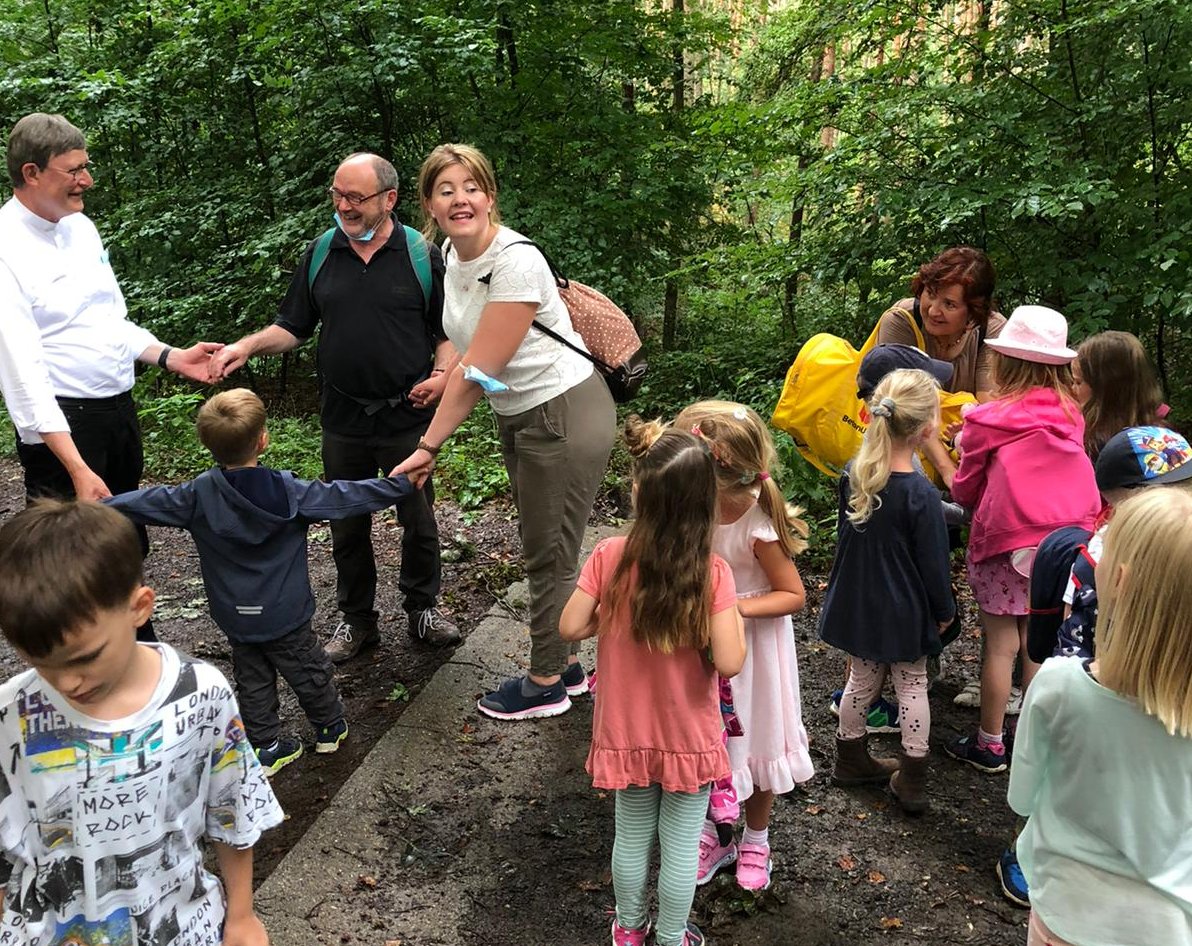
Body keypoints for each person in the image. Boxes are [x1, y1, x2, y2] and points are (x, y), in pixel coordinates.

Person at [392, 143, 616, 721]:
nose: (460, 198)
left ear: (490, 196)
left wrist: (427, 446)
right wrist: (446, 378)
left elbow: (480, 371)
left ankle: (545, 680)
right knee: (549, 541)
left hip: (563, 411)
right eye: (446, 190)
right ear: (429, 205)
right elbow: (472, 348)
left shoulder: (515, 261)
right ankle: (566, 666)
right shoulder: (451, 253)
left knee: (550, 552)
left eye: (471, 187)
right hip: (521, 412)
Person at [208, 152, 460, 656]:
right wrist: (246, 345)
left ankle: (422, 610)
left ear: (389, 200)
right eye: (338, 195)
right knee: (345, 520)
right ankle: (357, 621)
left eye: (356, 197)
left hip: (407, 415)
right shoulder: (323, 251)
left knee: (417, 516)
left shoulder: (420, 255)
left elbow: (448, 333)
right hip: (342, 416)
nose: (344, 206)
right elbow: (293, 326)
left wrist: (440, 375)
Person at [0, 499, 284, 945]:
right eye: (41, 663)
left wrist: (242, 915)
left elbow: (231, 809)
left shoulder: (201, 695)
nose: (67, 682)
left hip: (182, 927)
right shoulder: (11, 712)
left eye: (85, 658)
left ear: (139, 607)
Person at [106, 388, 416, 775]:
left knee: (251, 676)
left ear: (207, 445)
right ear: (263, 440)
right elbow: (346, 496)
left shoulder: (195, 497)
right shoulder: (290, 492)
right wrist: (401, 485)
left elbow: (144, 502)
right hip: (285, 612)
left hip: (235, 616)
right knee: (309, 668)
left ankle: (267, 746)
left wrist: (98, 504)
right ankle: (329, 727)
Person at [0, 113, 222, 640]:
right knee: (68, 558)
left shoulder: (80, 228)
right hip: (64, 428)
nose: (87, 181)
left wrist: (169, 356)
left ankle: (136, 651)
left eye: (87, 167)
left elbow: (108, 320)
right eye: (73, 170)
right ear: (32, 173)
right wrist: (75, 466)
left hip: (117, 407)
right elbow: (22, 372)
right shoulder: (5, 247)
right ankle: (79, 667)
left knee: (125, 540)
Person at [559, 419, 746, 946]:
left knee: (632, 835)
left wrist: (608, 616)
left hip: (626, 730)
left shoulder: (610, 558)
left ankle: (627, 928)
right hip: (687, 734)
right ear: (706, 502)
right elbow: (730, 661)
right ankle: (670, 937)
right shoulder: (710, 573)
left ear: (638, 491)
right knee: (682, 843)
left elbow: (570, 626)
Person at [1008, 487, 1192, 946]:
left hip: (1067, 913)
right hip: (1168, 927)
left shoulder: (1059, 685)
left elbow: (1021, 797)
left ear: (1120, 581)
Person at [945, 306, 1101, 775]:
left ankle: (988, 742)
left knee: (999, 646)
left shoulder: (988, 418)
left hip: (1005, 541)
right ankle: (1029, 740)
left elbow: (965, 487)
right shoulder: (1072, 414)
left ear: (1005, 363)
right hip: (1066, 542)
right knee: (1040, 638)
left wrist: (957, 447)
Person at [674, 400, 813, 890]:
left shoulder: (755, 522)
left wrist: (731, 609)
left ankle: (756, 837)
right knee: (710, 743)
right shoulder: (688, 507)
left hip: (754, 650)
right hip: (704, 645)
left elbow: (792, 594)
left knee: (756, 743)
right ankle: (716, 831)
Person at [817, 369, 954, 813]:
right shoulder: (922, 495)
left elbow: (846, 539)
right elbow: (935, 564)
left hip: (860, 601)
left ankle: (850, 759)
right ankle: (912, 780)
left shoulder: (854, 476)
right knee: (911, 683)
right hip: (904, 608)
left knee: (861, 679)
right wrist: (944, 609)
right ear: (926, 428)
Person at [875, 246, 1006, 484]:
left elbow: (991, 406)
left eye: (949, 304)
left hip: (967, 449)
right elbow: (903, 407)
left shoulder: (992, 330)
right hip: (903, 450)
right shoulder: (901, 321)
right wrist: (947, 470)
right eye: (931, 294)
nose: (934, 310)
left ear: (973, 312)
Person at [1071, 330, 1169, 461]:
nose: (1072, 389)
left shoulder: (1092, 447)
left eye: (1078, 382)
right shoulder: (1164, 437)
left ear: (1106, 390)